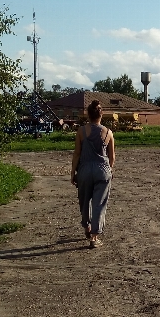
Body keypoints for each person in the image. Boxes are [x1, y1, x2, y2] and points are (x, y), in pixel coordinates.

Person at [71, 100, 115, 248]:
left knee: (84, 202)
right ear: (101, 114)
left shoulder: (81, 132)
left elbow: (77, 153)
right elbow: (112, 157)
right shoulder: (108, 133)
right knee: (99, 204)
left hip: (84, 170)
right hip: (102, 170)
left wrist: (73, 172)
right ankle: (94, 238)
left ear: (88, 115)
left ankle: (87, 228)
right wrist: (109, 169)